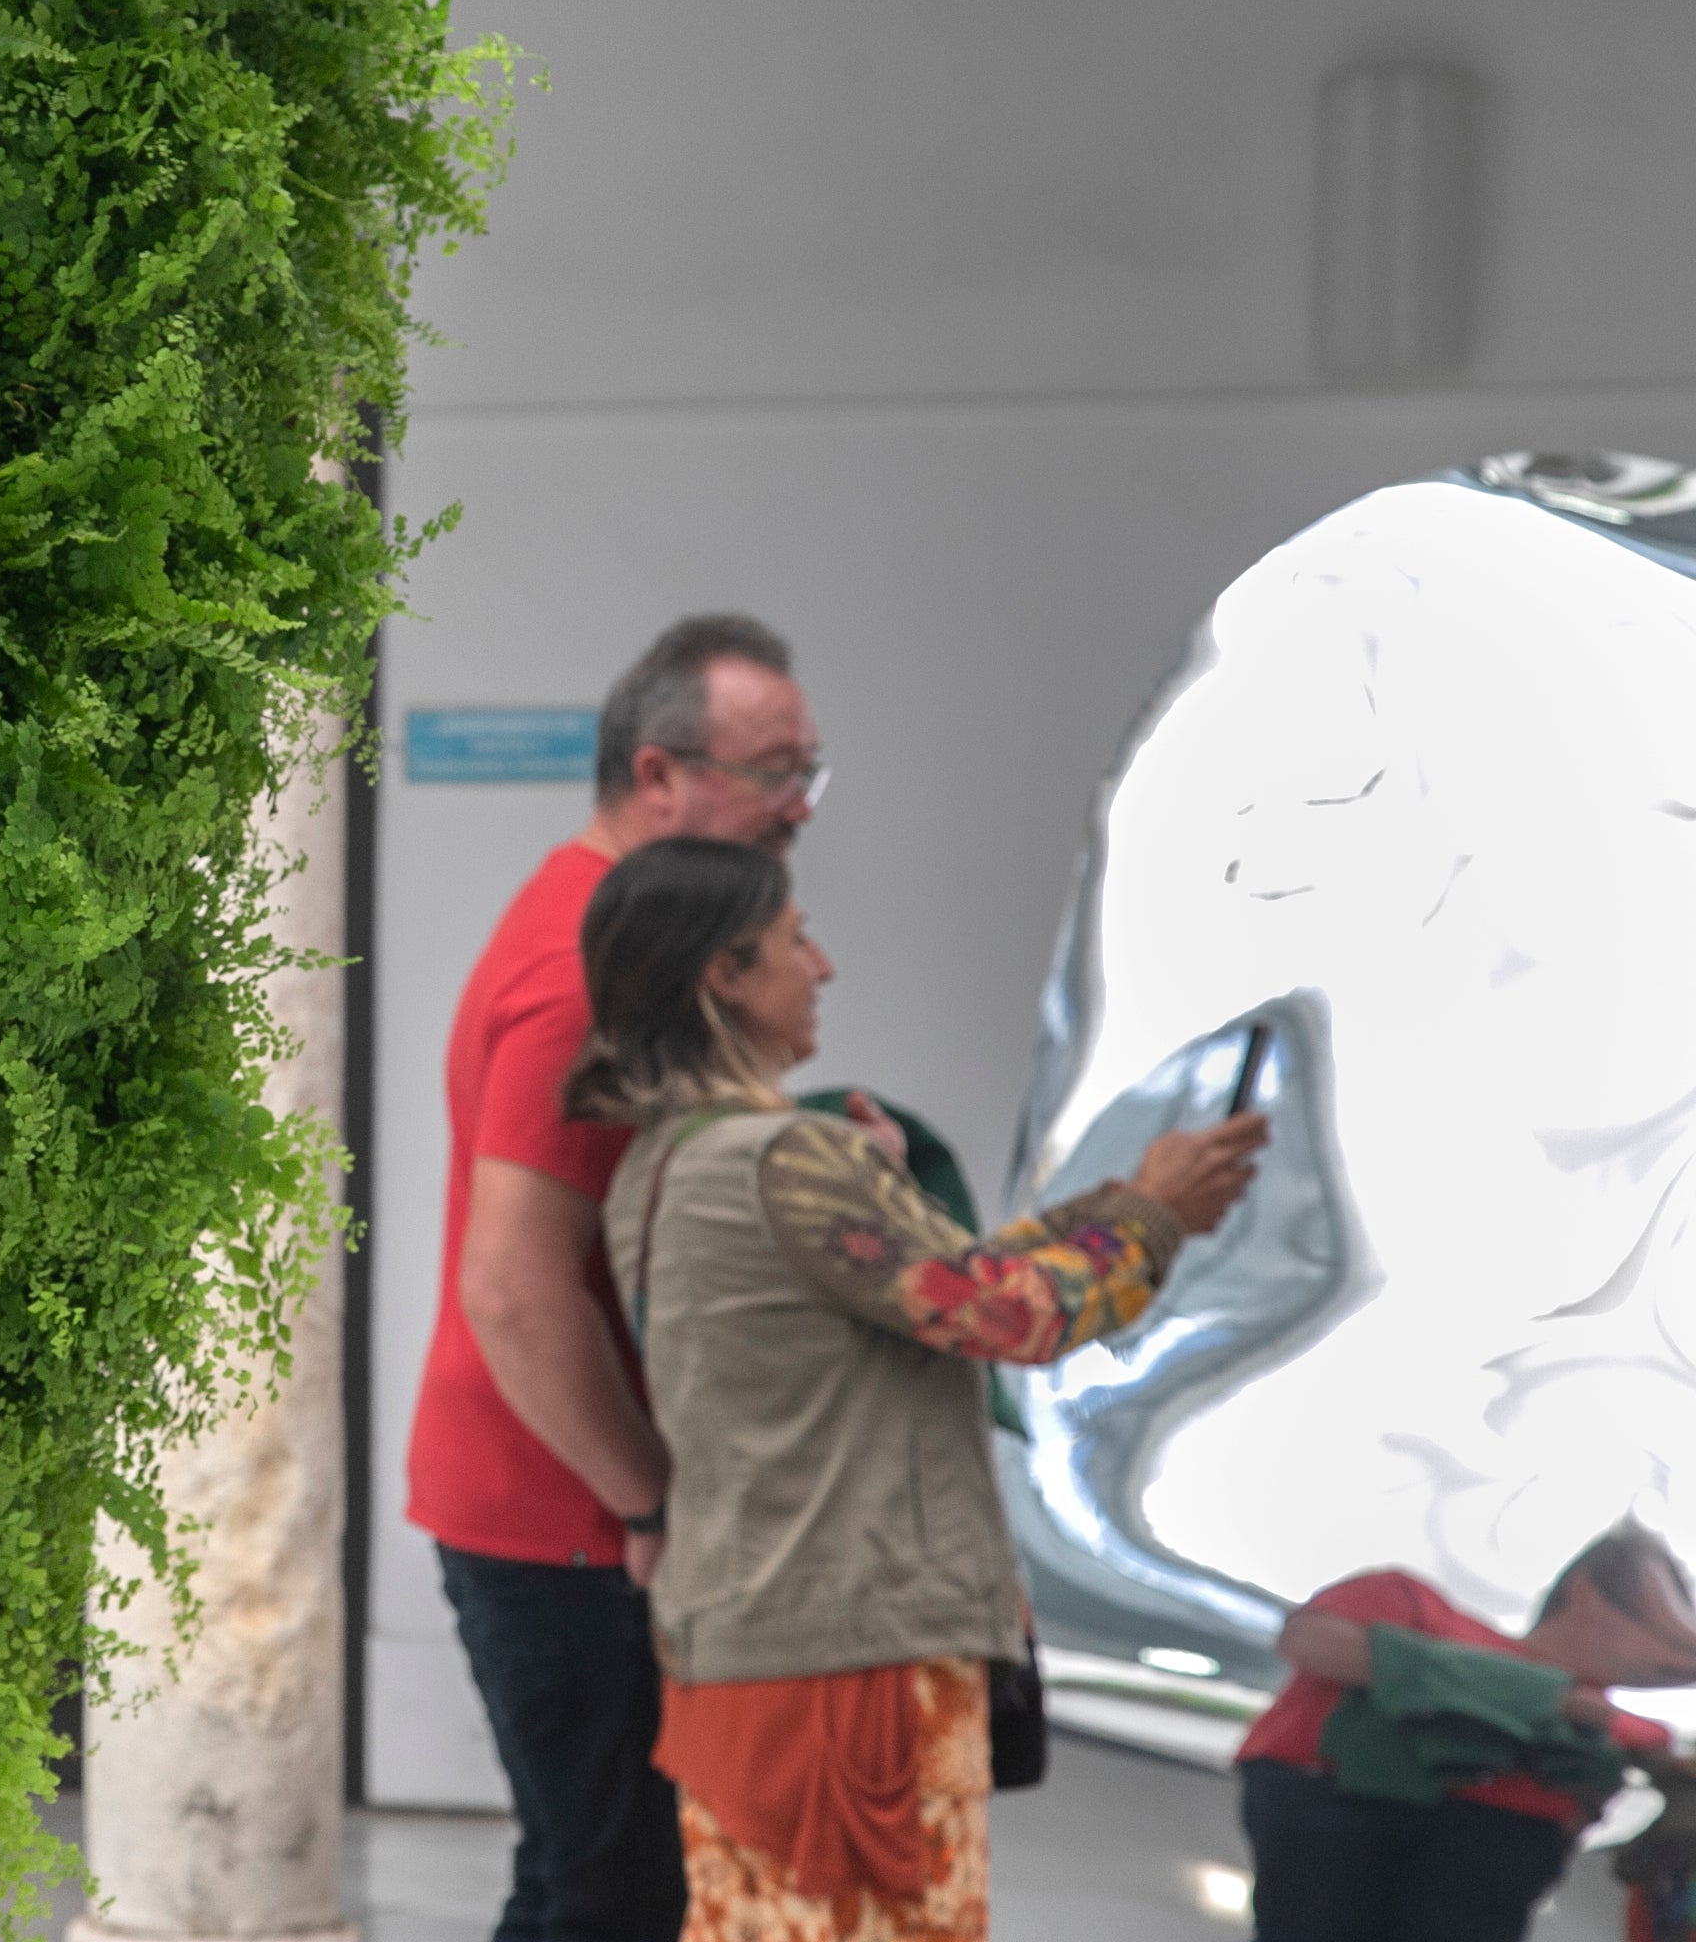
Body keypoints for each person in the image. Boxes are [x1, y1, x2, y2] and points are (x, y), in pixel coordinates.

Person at [572, 837, 1264, 1942]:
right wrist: (1152, 1215)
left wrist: (1133, 1201)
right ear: (726, 976)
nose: (824, 964)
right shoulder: (790, 1159)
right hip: (850, 1666)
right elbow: (1009, 1312)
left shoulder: (666, 1163)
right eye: (796, 938)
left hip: (751, 1652)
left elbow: (950, 1288)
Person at [402, 615, 821, 1942]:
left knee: (590, 1877)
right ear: (658, 778)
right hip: (569, 1515)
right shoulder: (579, 972)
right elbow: (517, 1292)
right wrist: (650, 1500)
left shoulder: (609, 928)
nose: (797, 807)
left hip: (574, 1505)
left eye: (811, 769)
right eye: (771, 772)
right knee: (619, 1893)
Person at [1237, 1525, 1696, 1942]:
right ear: (1585, 1594)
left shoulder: (1619, 1730)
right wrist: (1543, 1695)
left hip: (1499, 1855)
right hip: (1336, 1803)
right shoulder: (1411, 1604)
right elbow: (1312, 1641)